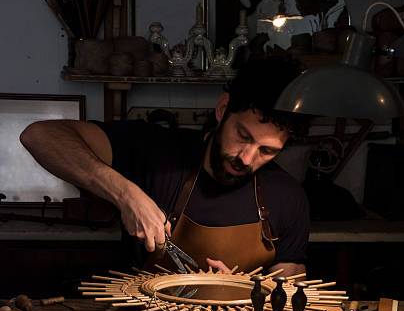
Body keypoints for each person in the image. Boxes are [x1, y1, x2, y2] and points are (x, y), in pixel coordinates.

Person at [20, 56, 309, 276]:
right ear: (223, 109)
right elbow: (40, 136)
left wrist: (244, 290)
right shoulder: (156, 151)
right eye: (243, 136)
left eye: (267, 151)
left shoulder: (287, 196)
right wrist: (124, 194)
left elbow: (290, 285)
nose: (246, 158)